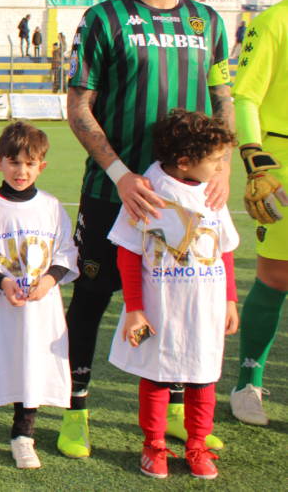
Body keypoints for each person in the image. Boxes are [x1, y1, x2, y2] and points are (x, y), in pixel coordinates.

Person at [61, 0, 233, 459]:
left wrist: (224, 165)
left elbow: (223, 99)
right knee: (90, 300)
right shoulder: (105, 18)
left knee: (185, 301)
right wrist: (120, 172)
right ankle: (75, 410)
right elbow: (79, 106)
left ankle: (180, 413)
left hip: (187, 204)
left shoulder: (209, 21)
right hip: (115, 194)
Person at [106, 109, 238, 480]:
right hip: (159, 309)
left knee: (203, 377)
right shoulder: (149, 191)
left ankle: (197, 445)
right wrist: (134, 310)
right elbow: (128, 251)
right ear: (184, 162)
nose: (220, 168)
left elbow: (224, 247)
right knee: (156, 377)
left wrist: (229, 298)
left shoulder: (212, 192)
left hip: (206, 309)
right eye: (215, 160)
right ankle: (154, 446)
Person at [0, 122, 77, 469]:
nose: (21, 171)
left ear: (42, 166)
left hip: (39, 310)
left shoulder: (53, 207)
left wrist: (50, 281)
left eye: (29, 164)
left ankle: (23, 437)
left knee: (32, 367)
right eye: (14, 163)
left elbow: (66, 253)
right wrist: (3, 282)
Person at [228, 0, 288, 427]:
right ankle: (248, 382)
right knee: (276, 276)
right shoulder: (273, 21)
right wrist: (255, 156)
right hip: (282, 166)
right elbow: (245, 96)